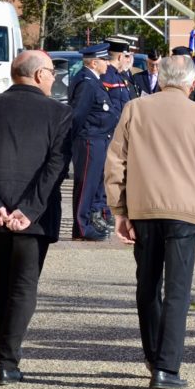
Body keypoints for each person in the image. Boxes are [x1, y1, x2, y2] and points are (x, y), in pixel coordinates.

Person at [105, 54, 195, 389]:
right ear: (192, 83)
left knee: (148, 286)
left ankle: (153, 357)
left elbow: (114, 163)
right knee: (178, 291)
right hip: (187, 213)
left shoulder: (135, 109)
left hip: (144, 209)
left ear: (161, 78)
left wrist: (119, 211)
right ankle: (167, 367)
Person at [0, 50, 71, 385]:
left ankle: (3, 359)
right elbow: (56, 167)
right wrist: (28, 210)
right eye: (52, 72)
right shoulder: (60, 114)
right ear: (39, 75)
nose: (55, 78)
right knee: (23, 287)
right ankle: (7, 361)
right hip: (32, 219)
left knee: (1, 286)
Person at [68, 43, 118, 241]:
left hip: (99, 138)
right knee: (86, 185)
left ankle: (86, 223)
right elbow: (78, 115)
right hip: (89, 140)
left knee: (94, 184)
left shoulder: (93, 80)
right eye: (104, 60)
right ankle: (81, 227)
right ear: (95, 62)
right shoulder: (87, 82)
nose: (107, 63)